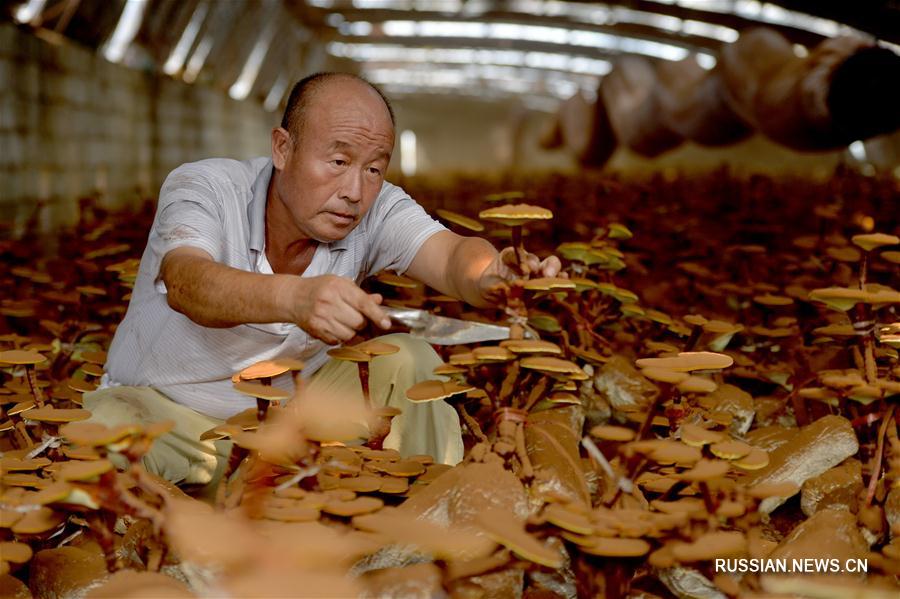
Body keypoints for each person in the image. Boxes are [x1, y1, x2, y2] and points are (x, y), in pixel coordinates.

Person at [83, 72, 562, 489]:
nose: (354, 191)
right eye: (338, 161)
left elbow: (454, 254)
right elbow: (187, 282)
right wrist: (296, 298)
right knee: (101, 432)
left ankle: (428, 530)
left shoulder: (377, 208)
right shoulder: (206, 187)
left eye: (373, 168)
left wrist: (495, 274)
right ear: (283, 148)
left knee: (409, 357)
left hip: (293, 424)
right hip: (166, 414)